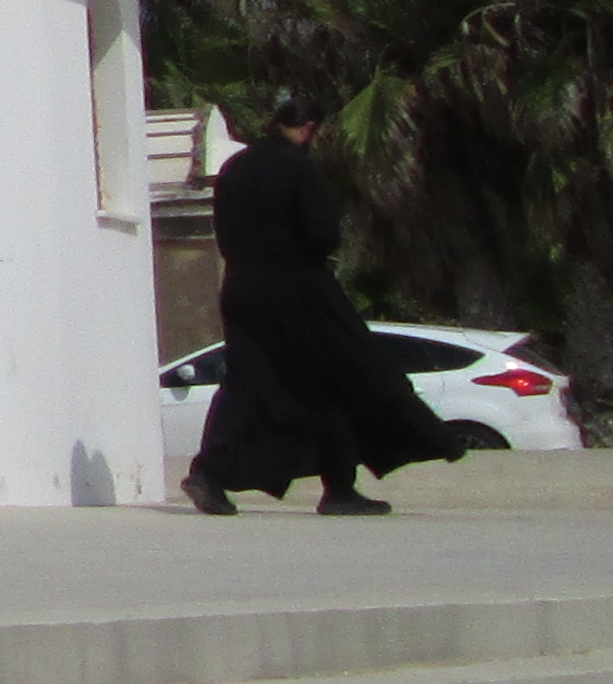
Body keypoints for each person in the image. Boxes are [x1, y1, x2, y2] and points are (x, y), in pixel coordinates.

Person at [186, 100, 494, 516]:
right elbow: (323, 234)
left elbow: (225, 231)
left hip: (242, 286)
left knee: (248, 381)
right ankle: (341, 487)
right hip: (300, 289)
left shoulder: (235, 168)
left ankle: (210, 473)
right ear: (310, 128)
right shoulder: (300, 168)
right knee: (343, 373)